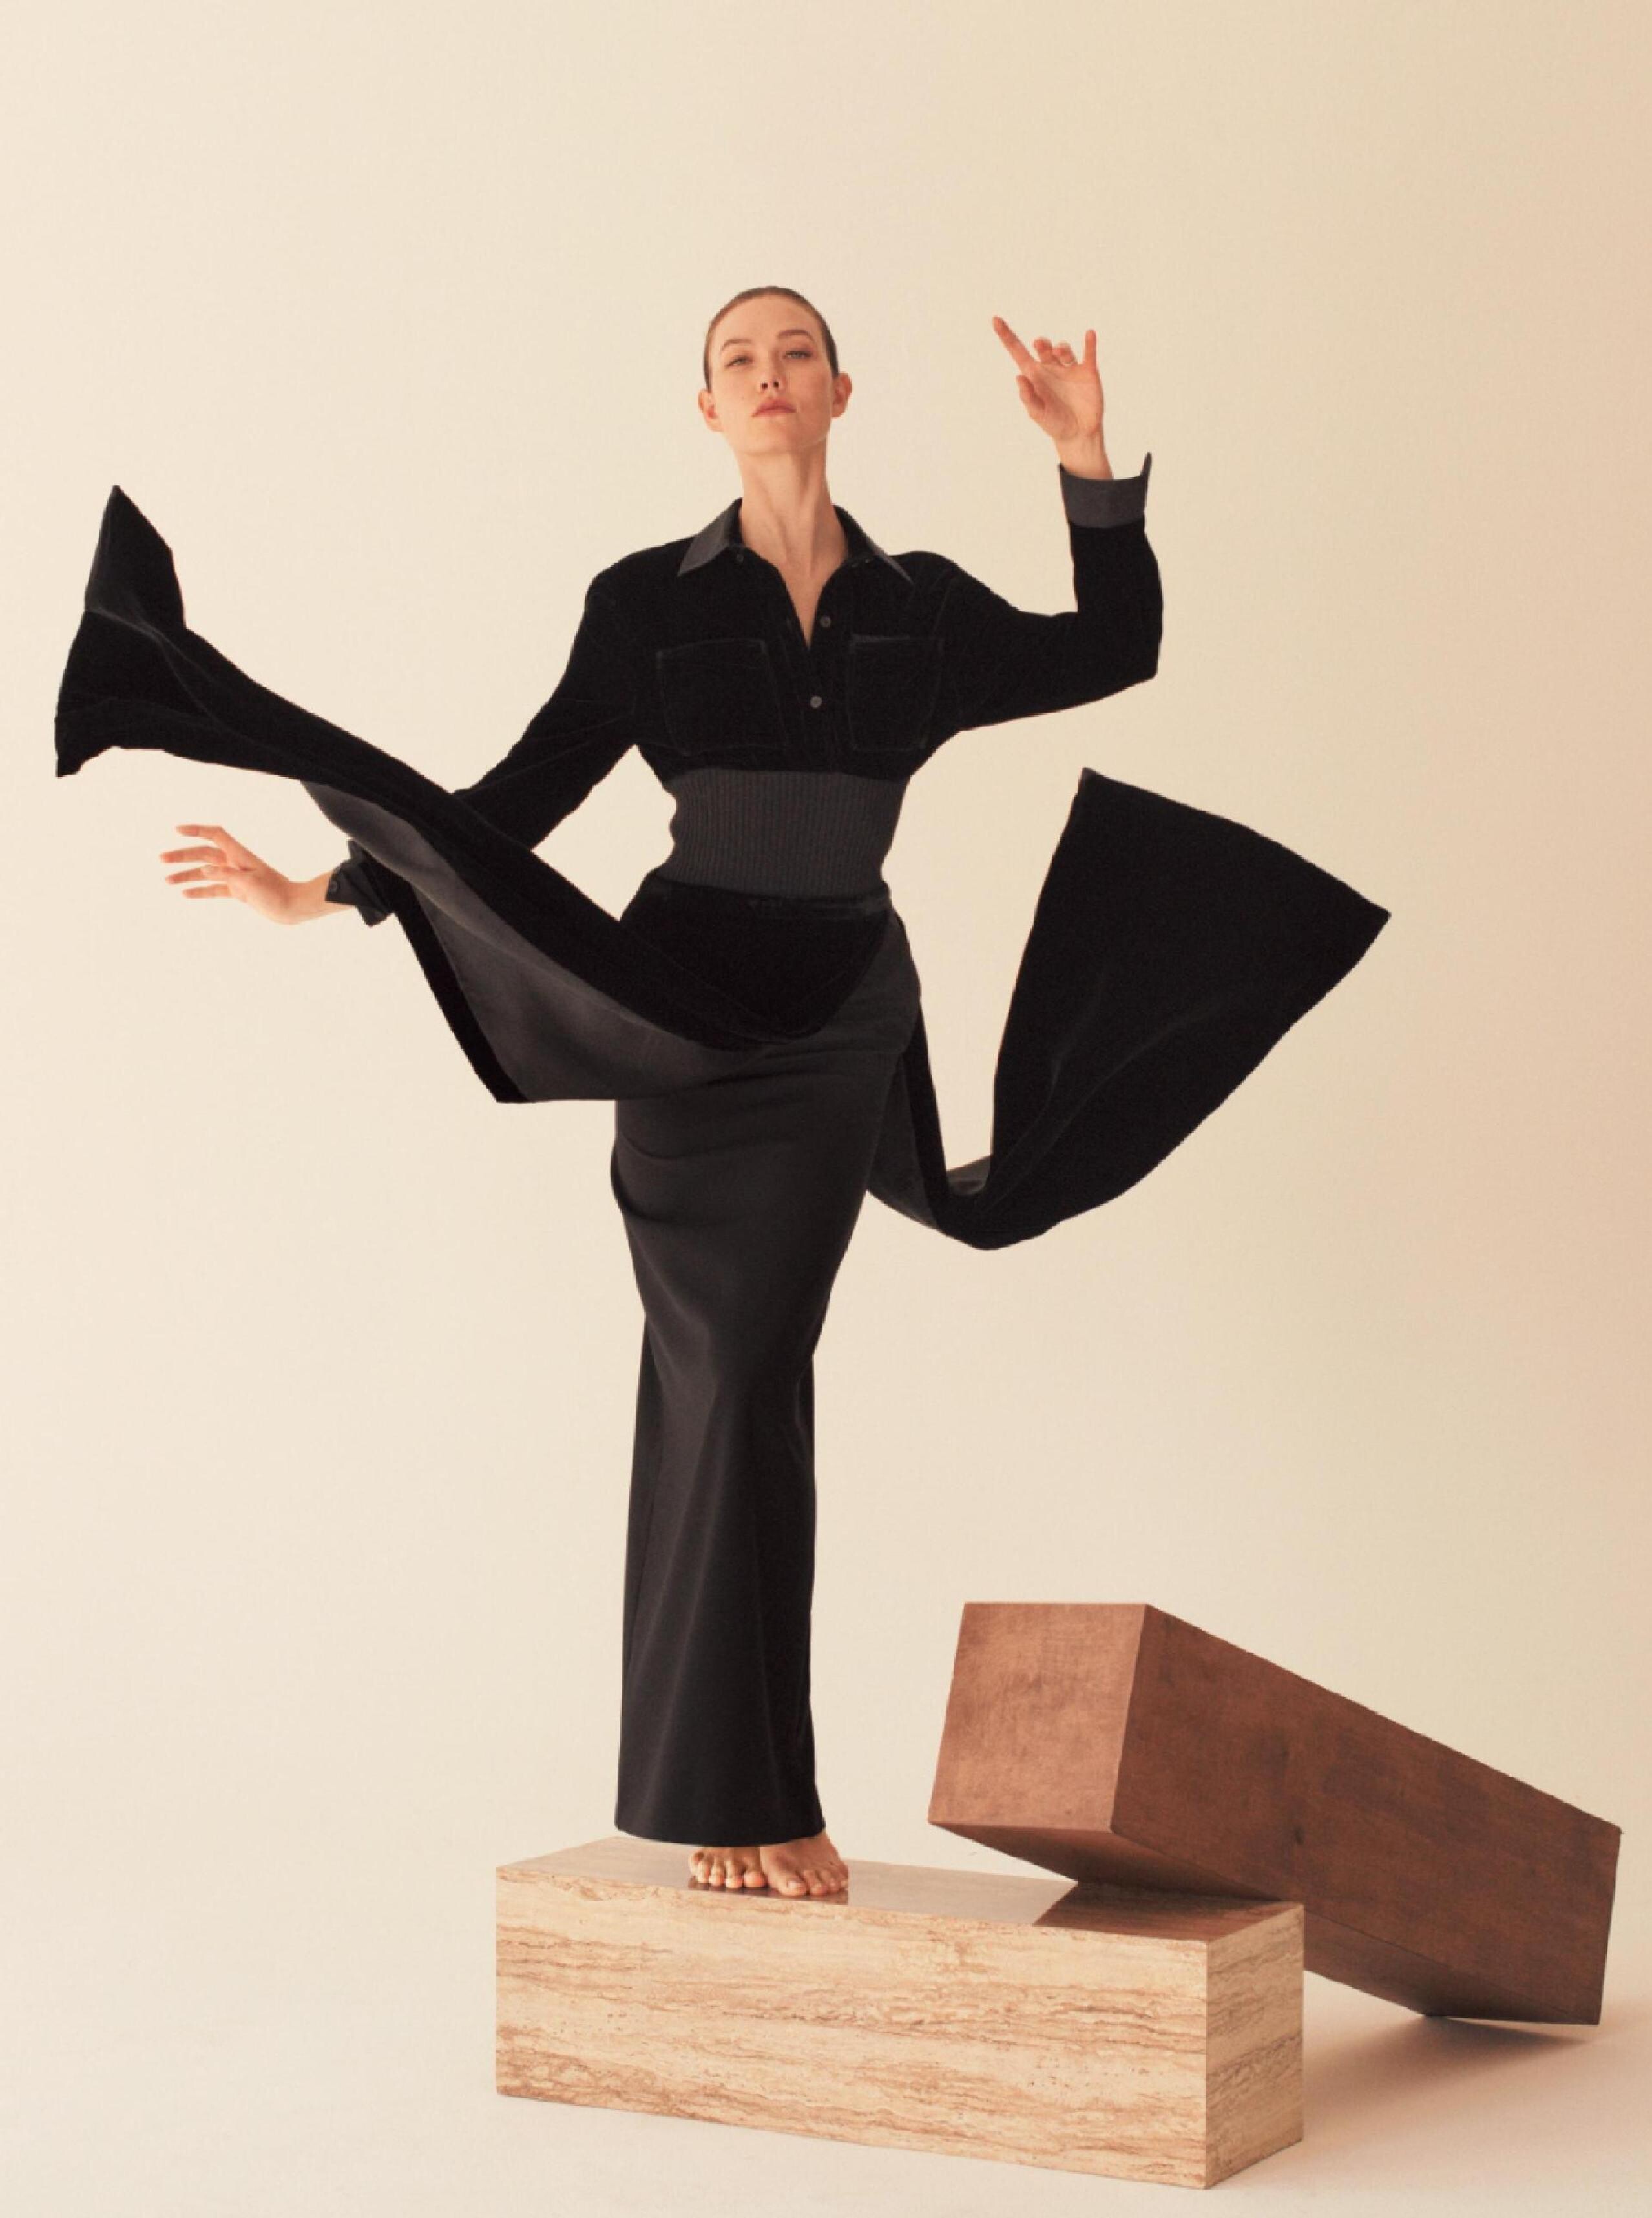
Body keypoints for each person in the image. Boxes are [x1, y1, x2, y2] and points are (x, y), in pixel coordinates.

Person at [56, 287, 1390, 1903]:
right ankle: (742, 1797)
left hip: (842, 1022)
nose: (768, 375)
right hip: (685, 1023)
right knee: (727, 1375)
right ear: (707, 410)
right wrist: (322, 891)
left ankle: (737, 1788)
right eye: (738, 361)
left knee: (754, 1372)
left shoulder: (922, 609)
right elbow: (517, 798)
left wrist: (1087, 464)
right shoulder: (644, 606)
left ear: (840, 391)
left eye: (794, 353)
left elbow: (1118, 647)